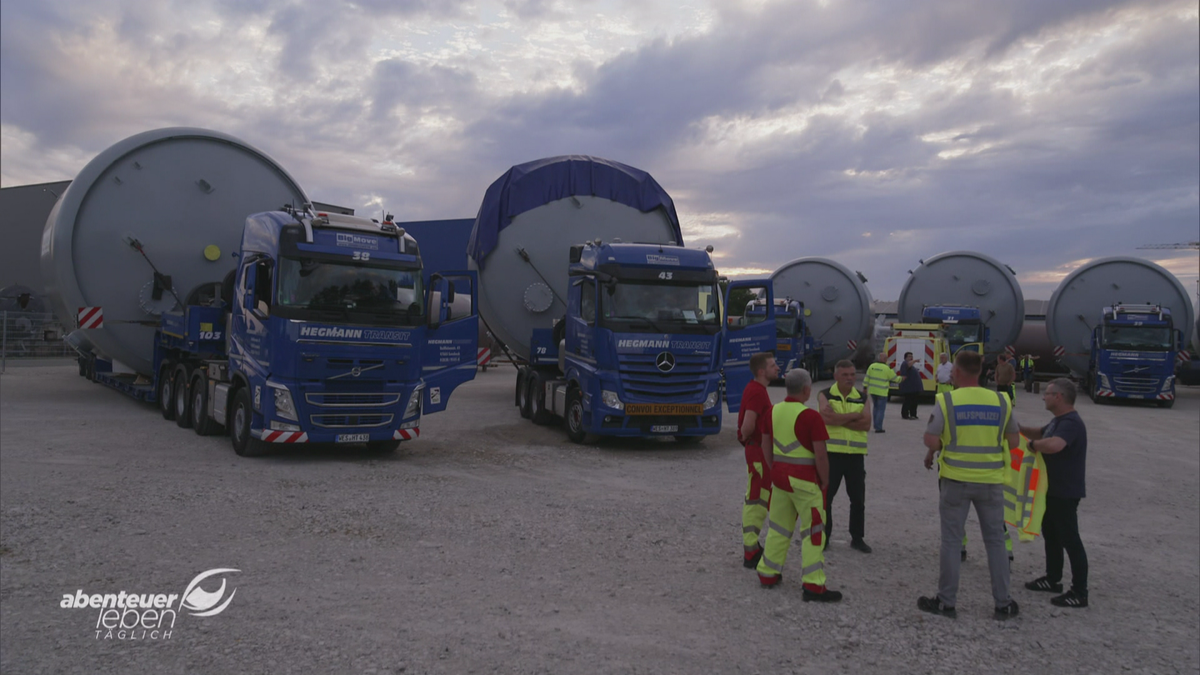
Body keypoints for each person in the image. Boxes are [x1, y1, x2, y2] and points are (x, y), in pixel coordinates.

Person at [918, 351, 1021, 620]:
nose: (951, 375)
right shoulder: (1002, 400)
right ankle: (1003, 603)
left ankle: (946, 601)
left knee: (952, 541)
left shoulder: (947, 400)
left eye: (953, 372)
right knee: (996, 542)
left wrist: (941, 447)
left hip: (955, 480)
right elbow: (1013, 442)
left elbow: (931, 439)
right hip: (991, 481)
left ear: (959, 373)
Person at [756, 368, 843, 602]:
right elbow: (821, 455)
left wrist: (773, 467)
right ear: (807, 389)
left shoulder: (772, 412)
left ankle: (768, 572)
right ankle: (814, 585)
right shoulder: (810, 417)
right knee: (814, 531)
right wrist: (825, 479)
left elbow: (765, 445)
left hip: (780, 478)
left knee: (778, 527)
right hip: (805, 481)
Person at [1019, 378, 1089, 608]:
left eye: (1047, 394)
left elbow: (1054, 445)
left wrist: (1032, 446)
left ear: (1059, 397)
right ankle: (1052, 579)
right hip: (1052, 490)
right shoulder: (1058, 420)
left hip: (1064, 492)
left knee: (1071, 540)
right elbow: (1040, 433)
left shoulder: (1070, 422)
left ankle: (1079, 592)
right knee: (1052, 535)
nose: (1043, 397)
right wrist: (1017, 429)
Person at [818, 360, 873, 553]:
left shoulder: (863, 397)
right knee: (826, 498)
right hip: (832, 454)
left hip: (856, 456)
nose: (850, 378)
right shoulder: (825, 394)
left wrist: (838, 419)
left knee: (858, 499)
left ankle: (857, 538)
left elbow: (866, 425)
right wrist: (853, 416)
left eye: (852, 374)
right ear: (836, 376)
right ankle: (824, 536)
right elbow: (825, 419)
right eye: (845, 375)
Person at [738, 352, 779, 569]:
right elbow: (747, 425)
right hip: (758, 452)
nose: (777, 368)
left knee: (759, 496)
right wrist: (747, 439)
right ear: (761, 371)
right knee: (756, 498)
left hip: (758, 451)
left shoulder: (757, 390)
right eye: (773, 365)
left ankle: (752, 546)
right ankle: (751, 550)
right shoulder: (757, 392)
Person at [864, 352, 900, 433]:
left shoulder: (872, 366)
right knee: (881, 410)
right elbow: (895, 379)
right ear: (885, 359)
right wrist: (902, 378)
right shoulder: (887, 368)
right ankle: (878, 428)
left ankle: (875, 425)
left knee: (875, 408)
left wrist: (865, 387)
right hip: (882, 392)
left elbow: (867, 378)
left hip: (873, 391)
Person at [898, 352, 924, 420]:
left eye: (911, 356)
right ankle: (905, 414)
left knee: (914, 402)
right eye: (909, 356)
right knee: (908, 401)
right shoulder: (904, 364)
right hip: (909, 388)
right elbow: (908, 365)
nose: (911, 357)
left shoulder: (911, 365)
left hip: (914, 388)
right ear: (905, 358)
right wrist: (915, 361)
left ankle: (913, 414)